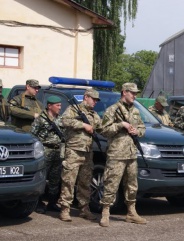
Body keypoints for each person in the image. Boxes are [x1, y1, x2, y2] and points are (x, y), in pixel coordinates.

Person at [99, 83, 147, 227]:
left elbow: (142, 127)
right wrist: (121, 125)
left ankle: (131, 213)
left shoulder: (136, 111)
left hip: (131, 153)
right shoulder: (112, 110)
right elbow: (104, 130)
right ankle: (105, 212)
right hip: (117, 153)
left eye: (135, 93)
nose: (134, 95)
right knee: (111, 183)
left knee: (132, 185)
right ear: (124, 92)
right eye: (132, 92)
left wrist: (137, 131)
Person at [58, 88, 103, 222]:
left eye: (96, 100)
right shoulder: (73, 109)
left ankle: (84, 209)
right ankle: (65, 209)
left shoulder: (95, 115)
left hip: (87, 153)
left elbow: (103, 128)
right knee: (69, 181)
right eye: (93, 99)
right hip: (73, 151)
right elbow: (64, 121)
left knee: (85, 182)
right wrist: (83, 125)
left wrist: (120, 127)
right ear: (86, 97)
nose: (95, 102)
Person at [31, 96, 64, 213]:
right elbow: (33, 135)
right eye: (57, 105)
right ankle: (38, 203)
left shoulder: (60, 119)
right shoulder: (41, 119)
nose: (60, 107)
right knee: (42, 178)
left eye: (60, 105)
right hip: (45, 150)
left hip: (57, 151)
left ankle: (52, 203)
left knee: (55, 178)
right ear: (50, 106)